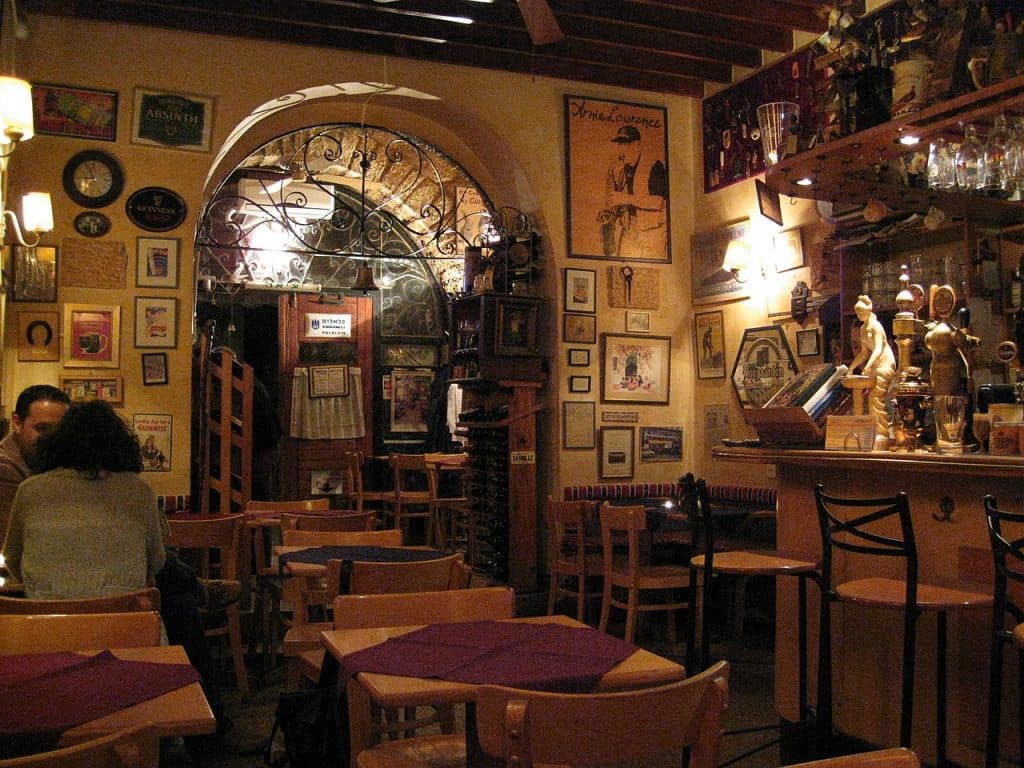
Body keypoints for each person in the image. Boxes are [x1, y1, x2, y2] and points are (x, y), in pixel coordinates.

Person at [2, 400, 230, 733]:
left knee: (178, 597)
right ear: (119, 445)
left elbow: (12, 560)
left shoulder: (30, 489)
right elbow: (156, 563)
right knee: (178, 600)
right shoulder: (137, 489)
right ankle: (204, 724)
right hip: (129, 634)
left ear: (59, 443)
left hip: (48, 633)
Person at [0, 384, 70, 548]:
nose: (52, 438)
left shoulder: (49, 460)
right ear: (17, 422)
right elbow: (15, 542)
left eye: (60, 430)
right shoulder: (4, 468)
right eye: (42, 428)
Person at [597, 125, 668, 259]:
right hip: (629, 228)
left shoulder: (655, 166)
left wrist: (625, 199)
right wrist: (609, 212)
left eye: (626, 144)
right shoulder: (617, 170)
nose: (621, 149)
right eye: (620, 144)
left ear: (638, 145)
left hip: (653, 231)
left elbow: (657, 202)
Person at [847, 294, 896, 449]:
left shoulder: (875, 326)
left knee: (875, 398)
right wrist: (851, 367)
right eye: (853, 346)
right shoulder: (863, 328)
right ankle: (861, 432)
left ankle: (880, 434)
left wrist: (869, 365)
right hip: (874, 369)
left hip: (883, 366)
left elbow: (878, 348)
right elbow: (863, 353)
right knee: (860, 394)